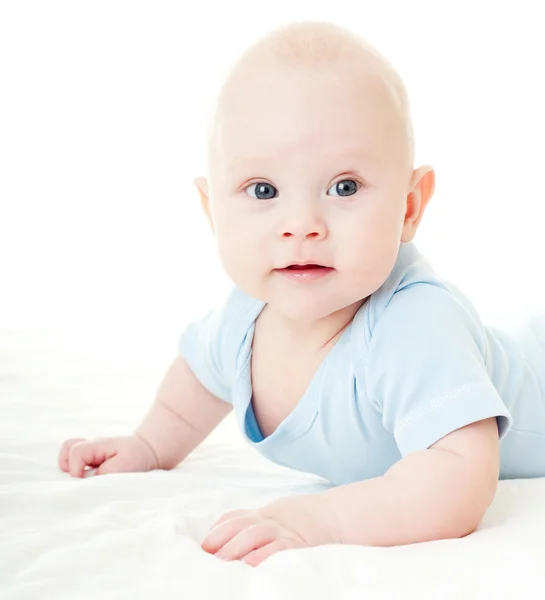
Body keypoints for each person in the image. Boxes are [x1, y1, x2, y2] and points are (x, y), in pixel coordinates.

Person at [58, 20, 545, 567]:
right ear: (212, 210)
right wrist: (147, 446)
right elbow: (194, 383)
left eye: (345, 187)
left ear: (409, 207)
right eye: (263, 190)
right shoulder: (243, 318)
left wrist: (320, 519)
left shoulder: (416, 324)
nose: (302, 224)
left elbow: (458, 483)